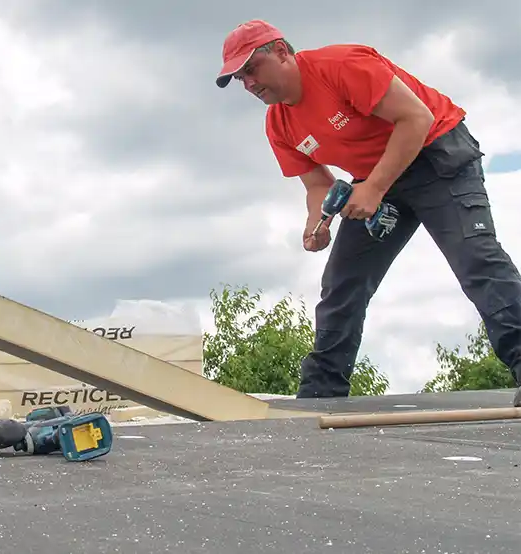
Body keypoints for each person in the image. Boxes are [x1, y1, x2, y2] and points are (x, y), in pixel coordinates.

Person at [215, 19, 521, 406]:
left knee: (476, 260)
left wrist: (374, 188)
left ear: (281, 52)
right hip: (377, 178)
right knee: (343, 282)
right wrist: (318, 223)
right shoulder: (279, 124)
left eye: (251, 69)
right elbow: (317, 185)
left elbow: (417, 118)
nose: (249, 83)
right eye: (240, 78)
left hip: (436, 155)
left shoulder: (341, 66)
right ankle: (320, 395)